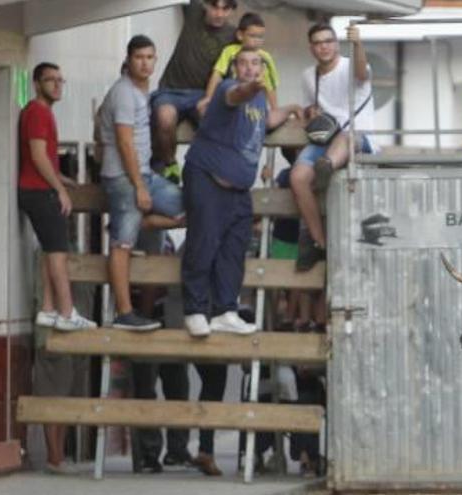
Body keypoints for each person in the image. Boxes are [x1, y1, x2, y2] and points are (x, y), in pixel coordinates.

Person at [180, 47, 300, 475]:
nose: (250, 71)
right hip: (208, 178)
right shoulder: (232, 90)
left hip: (237, 191)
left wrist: (295, 107)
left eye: (257, 65)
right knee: (203, 244)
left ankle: (225, 309)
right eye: (245, 64)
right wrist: (253, 83)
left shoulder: (257, 105)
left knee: (233, 251)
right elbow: (235, 95)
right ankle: (196, 308)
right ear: (235, 70)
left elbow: (268, 119)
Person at [19, 61, 97, 476]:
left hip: (38, 187)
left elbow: (44, 158)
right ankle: (64, 311)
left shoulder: (45, 114)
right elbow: (35, 155)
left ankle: (55, 308)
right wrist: (56, 188)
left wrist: (63, 180)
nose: (58, 85)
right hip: (35, 192)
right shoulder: (37, 111)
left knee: (56, 250)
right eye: (51, 79)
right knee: (57, 251)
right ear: (37, 83)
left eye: (61, 79)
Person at [99, 35, 185, 330]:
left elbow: (99, 127)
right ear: (129, 59)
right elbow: (124, 142)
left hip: (144, 174)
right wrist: (139, 186)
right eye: (139, 57)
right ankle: (124, 313)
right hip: (125, 178)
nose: (145, 63)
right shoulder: (124, 92)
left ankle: (141, 223)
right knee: (122, 244)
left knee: (189, 207)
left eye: (150, 57)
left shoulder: (141, 92)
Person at [290, 23, 375, 272]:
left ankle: (326, 167)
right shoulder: (309, 75)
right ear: (311, 48)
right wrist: (310, 112)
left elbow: (362, 73)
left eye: (328, 41)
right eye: (318, 42)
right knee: (297, 177)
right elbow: (309, 110)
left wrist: (358, 44)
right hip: (325, 141)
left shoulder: (351, 66)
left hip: (359, 138)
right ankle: (320, 243)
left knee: (346, 137)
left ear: (337, 44)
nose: (324, 46)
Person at [151, 0, 237, 180]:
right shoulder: (194, 12)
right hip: (171, 90)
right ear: (205, 5)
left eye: (225, 9)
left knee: (215, 125)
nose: (219, 13)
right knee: (165, 117)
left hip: (203, 96)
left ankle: (203, 174)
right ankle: (170, 165)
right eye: (214, 7)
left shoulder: (233, 35)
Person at [199, 12, 280, 116]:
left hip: (254, 105)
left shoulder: (266, 58)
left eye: (260, 37)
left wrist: (275, 109)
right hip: (231, 100)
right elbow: (217, 74)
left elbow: (271, 87)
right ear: (240, 35)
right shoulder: (230, 52)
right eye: (252, 36)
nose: (257, 41)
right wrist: (208, 98)